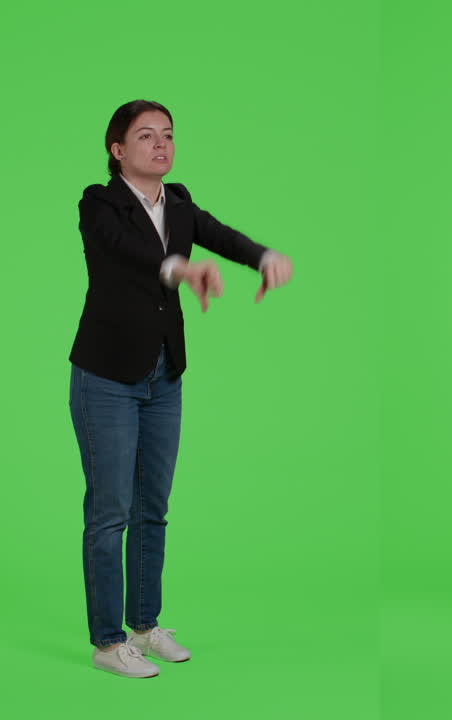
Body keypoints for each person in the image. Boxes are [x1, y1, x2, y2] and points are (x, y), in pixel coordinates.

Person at [70, 99, 294, 678]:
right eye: (145, 136)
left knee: (153, 507)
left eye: (167, 134)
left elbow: (218, 235)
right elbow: (128, 252)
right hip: (107, 378)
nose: (160, 144)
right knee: (110, 510)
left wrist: (263, 255)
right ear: (118, 150)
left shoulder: (181, 203)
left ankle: (144, 627)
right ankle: (105, 641)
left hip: (163, 374)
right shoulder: (99, 203)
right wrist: (179, 268)